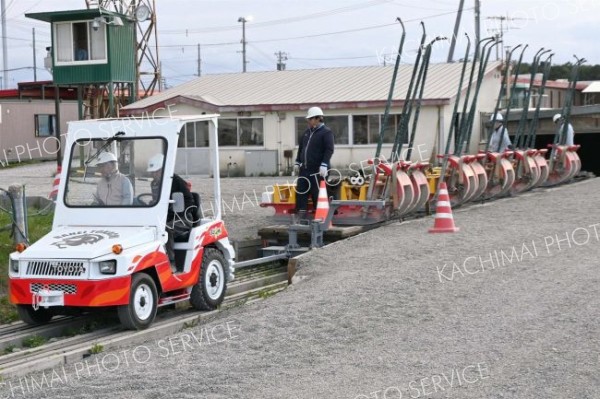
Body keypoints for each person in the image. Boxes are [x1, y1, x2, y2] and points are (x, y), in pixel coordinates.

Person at [147, 153, 195, 270]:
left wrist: (175, 209)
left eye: (156, 171)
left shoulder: (177, 181)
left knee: (166, 230)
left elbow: (190, 202)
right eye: (152, 172)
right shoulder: (154, 184)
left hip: (183, 218)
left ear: (164, 169)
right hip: (165, 218)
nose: (153, 174)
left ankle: (171, 263)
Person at [294, 106, 335, 221]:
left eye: (310, 119)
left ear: (318, 118)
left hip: (318, 170)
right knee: (301, 191)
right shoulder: (307, 133)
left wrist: (324, 164)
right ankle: (301, 216)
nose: (308, 121)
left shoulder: (326, 132)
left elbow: (329, 149)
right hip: (305, 169)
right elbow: (301, 149)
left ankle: (321, 218)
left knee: (317, 193)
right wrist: (298, 161)